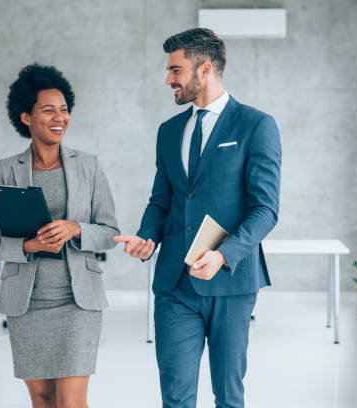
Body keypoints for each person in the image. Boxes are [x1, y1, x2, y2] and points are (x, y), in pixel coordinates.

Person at [115, 28, 282, 408]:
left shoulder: (256, 125)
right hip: (175, 283)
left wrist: (223, 254)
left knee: (228, 394)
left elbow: (265, 208)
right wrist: (147, 237)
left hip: (231, 282)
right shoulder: (169, 131)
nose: (168, 79)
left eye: (175, 70)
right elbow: (162, 200)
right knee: (175, 395)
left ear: (204, 69)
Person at [0, 64, 119, 408]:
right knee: (42, 400)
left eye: (65, 110)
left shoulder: (89, 165)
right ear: (26, 117)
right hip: (27, 303)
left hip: (77, 300)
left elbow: (110, 232)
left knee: (70, 401)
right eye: (48, 110)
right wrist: (29, 246)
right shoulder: (6, 169)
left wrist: (76, 228)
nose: (60, 117)